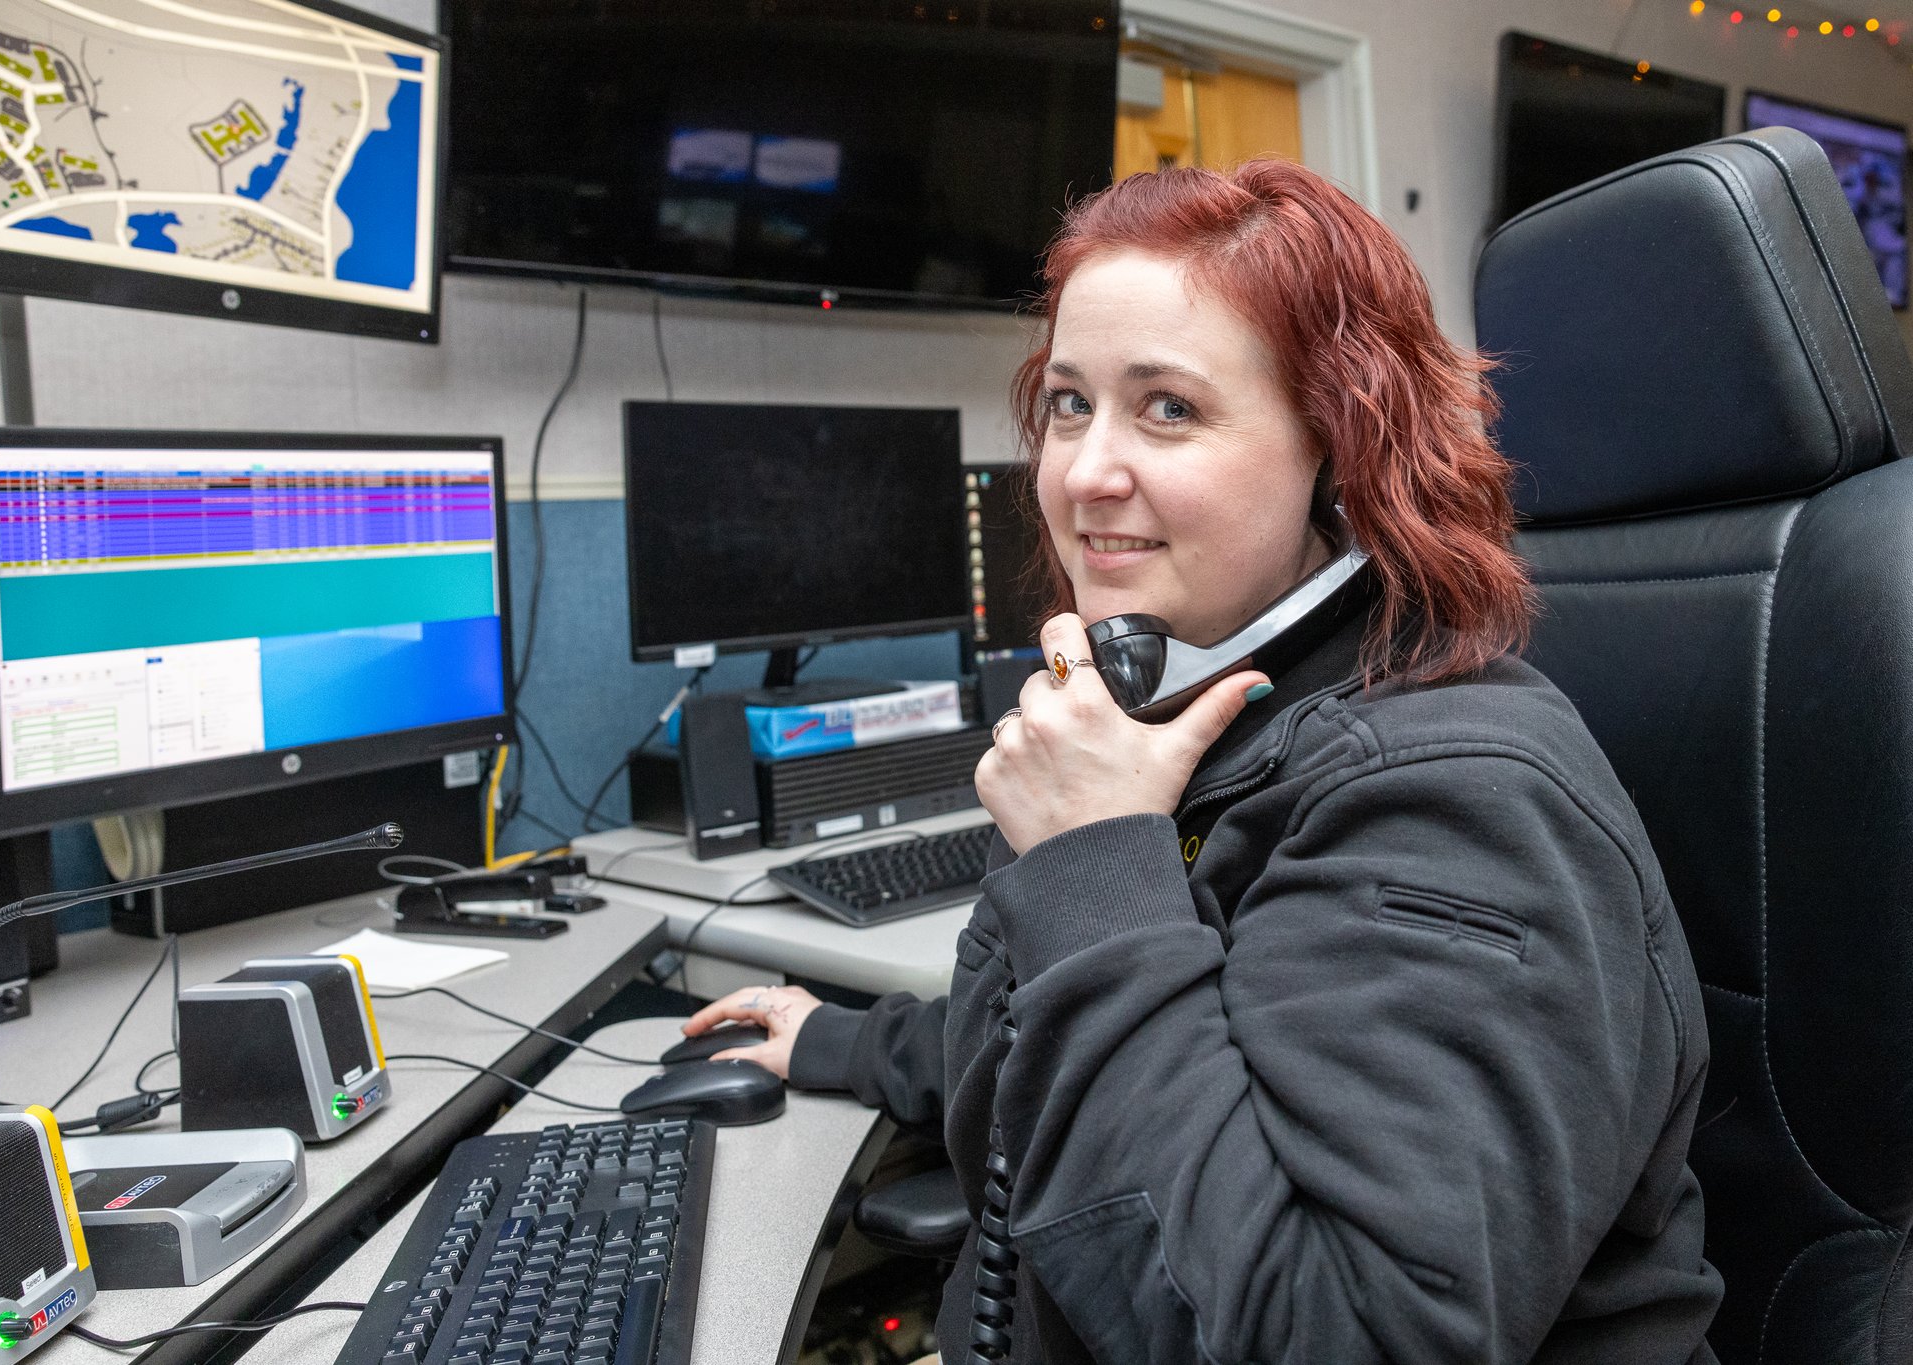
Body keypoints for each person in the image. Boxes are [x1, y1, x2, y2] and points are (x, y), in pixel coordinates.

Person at [682, 161, 1724, 1363]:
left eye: (1166, 407)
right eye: (1069, 404)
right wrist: (847, 1042)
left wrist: (1086, 862)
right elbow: (1145, 1019)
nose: (1082, 472)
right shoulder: (1212, 703)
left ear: (1337, 446)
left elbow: (1338, 1333)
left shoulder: (1462, 803)